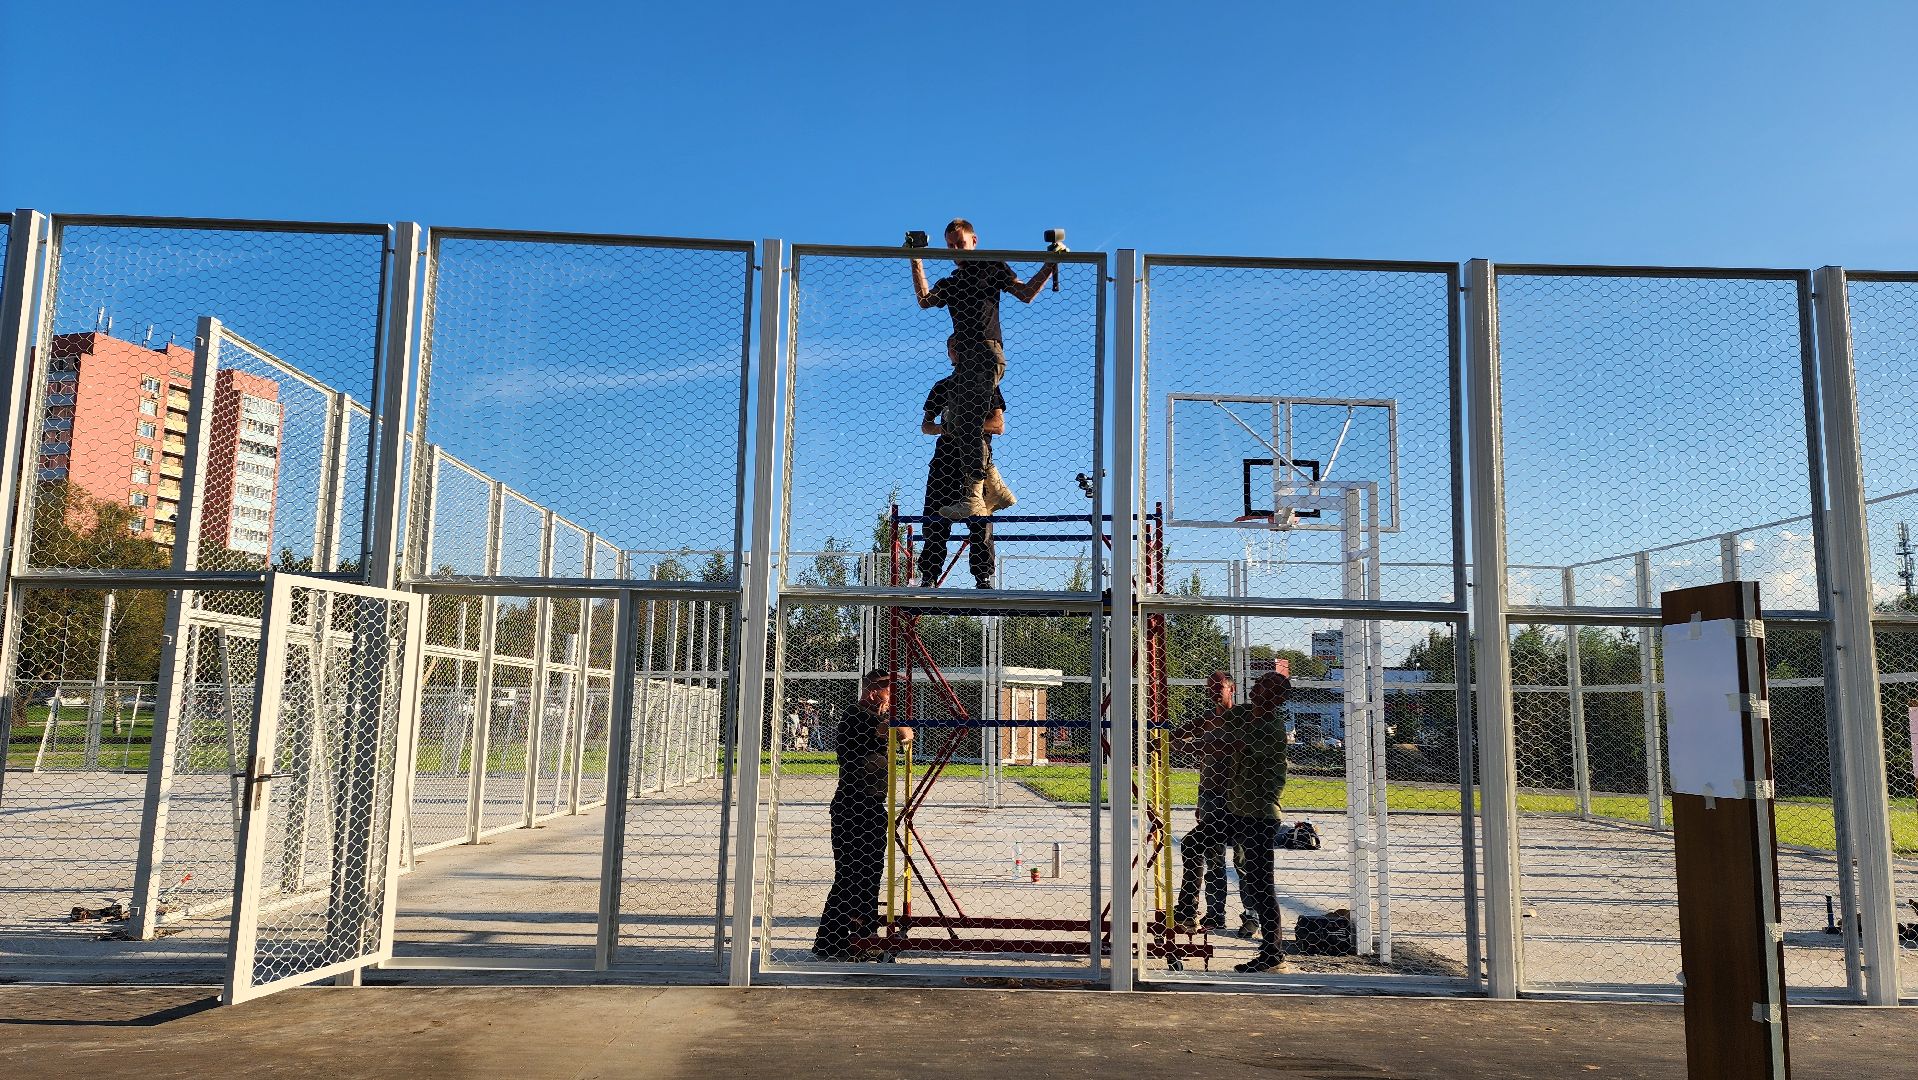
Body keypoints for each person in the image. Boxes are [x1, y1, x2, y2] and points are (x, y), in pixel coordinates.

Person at [813, 669, 912, 961]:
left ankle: (846, 941)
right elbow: (900, 732)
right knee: (852, 877)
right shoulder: (856, 718)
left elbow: (905, 736)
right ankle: (840, 942)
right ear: (872, 692)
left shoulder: (874, 718)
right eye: (887, 691)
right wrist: (895, 725)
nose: (891, 696)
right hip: (853, 807)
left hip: (870, 807)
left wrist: (898, 728)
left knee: (866, 877)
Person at [910, 218, 1056, 388]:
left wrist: (1050, 263)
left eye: (960, 243)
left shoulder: (991, 266)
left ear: (974, 241)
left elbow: (1026, 293)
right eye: (950, 246)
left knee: (971, 412)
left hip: (985, 351)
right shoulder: (950, 283)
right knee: (974, 412)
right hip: (963, 358)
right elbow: (925, 300)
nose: (955, 250)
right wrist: (915, 258)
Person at [1212, 670, 1293, 972]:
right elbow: (1223, 718)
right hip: (1239, 811)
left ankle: (1273, 954)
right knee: (1198, 845)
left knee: (1261, 885)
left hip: (1259, 815)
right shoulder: (1245, 713)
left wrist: (1188, 746)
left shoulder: (1272, 727)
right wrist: (1221, 695)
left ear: (1277, 698)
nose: (1255, 686)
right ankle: (1271, 952)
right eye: (1257, 682)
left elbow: (1235, 745)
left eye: (1262, 685)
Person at [917, 336, 1006, 589]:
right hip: (944, 461)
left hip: (975, 462)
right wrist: (944, 429)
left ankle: (983, 577)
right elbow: (926, 426)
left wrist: (966, 428)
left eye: (960, 348)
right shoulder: (942, 387)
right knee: (934, 520)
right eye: (952, 349)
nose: (956, 353)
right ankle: (929, 576)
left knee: (980, 520)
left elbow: (998, 426)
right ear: (949, 354)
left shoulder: (987, 386)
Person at [1171, 671, 1253, 934]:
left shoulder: (1241, 720)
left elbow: (1227, 749)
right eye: (1209, 687)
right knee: (1214, 857)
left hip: (1236, 798)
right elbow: (1176, 738)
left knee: (1242, 858)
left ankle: (1251, 914)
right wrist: (1167, 738)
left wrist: (1195, 746)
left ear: (1232, 688)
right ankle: (1215, 914)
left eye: (1218, 687)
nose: (1213, 692)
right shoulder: (1207, 719)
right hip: (1209, 795)